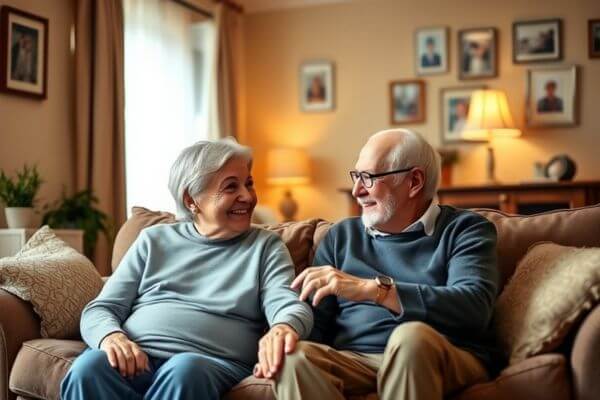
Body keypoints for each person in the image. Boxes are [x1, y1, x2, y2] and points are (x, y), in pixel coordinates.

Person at [61, 138, 313, 400]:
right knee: (88, 369)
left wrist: (284, 326)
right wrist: (112, 337)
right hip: (135, 358)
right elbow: (101, 308)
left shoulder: (265, 247)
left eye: (248, 183)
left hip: (209, 364)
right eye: (231, 187)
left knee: (185, 370)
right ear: (191, 199)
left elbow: (288, 303)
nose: (248, 196)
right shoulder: (153, 240)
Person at [264, 129, 499, 400]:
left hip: (441, 354)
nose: (357, 190)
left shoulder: (465, 230)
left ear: (414, 181)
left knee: (410, 338)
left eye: (369, 178)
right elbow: (315, 322)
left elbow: (474, 307)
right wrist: (284, 330)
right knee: (292, 357)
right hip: (356, 360)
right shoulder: (341, 237)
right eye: (356, 176)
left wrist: (376, 291)